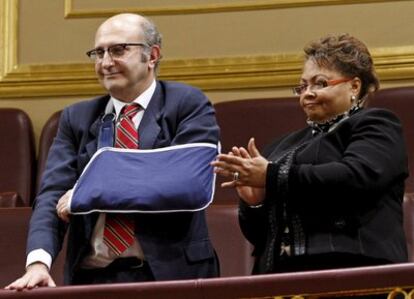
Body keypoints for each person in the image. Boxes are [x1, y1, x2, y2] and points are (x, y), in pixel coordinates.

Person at [7, 13, 219, 289]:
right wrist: (38, 262)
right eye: (99, 52)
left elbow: (188, 185)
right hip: (92, 278)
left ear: (152, 55)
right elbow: (52, 196)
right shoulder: (76, 118)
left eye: (119, 50)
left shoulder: (187, 104)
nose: (106, 62)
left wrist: (90, 192)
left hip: (173, 275)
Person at [212, 33, 408, 274]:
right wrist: (256, 202)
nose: (307, 93)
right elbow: (260, 237)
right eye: (302, 86)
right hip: (280, 278)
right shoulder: (280, 146)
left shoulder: (376, 124)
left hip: (353, 273)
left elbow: (356, 176)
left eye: (320, 83)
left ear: (354, 86)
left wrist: (271, 175)